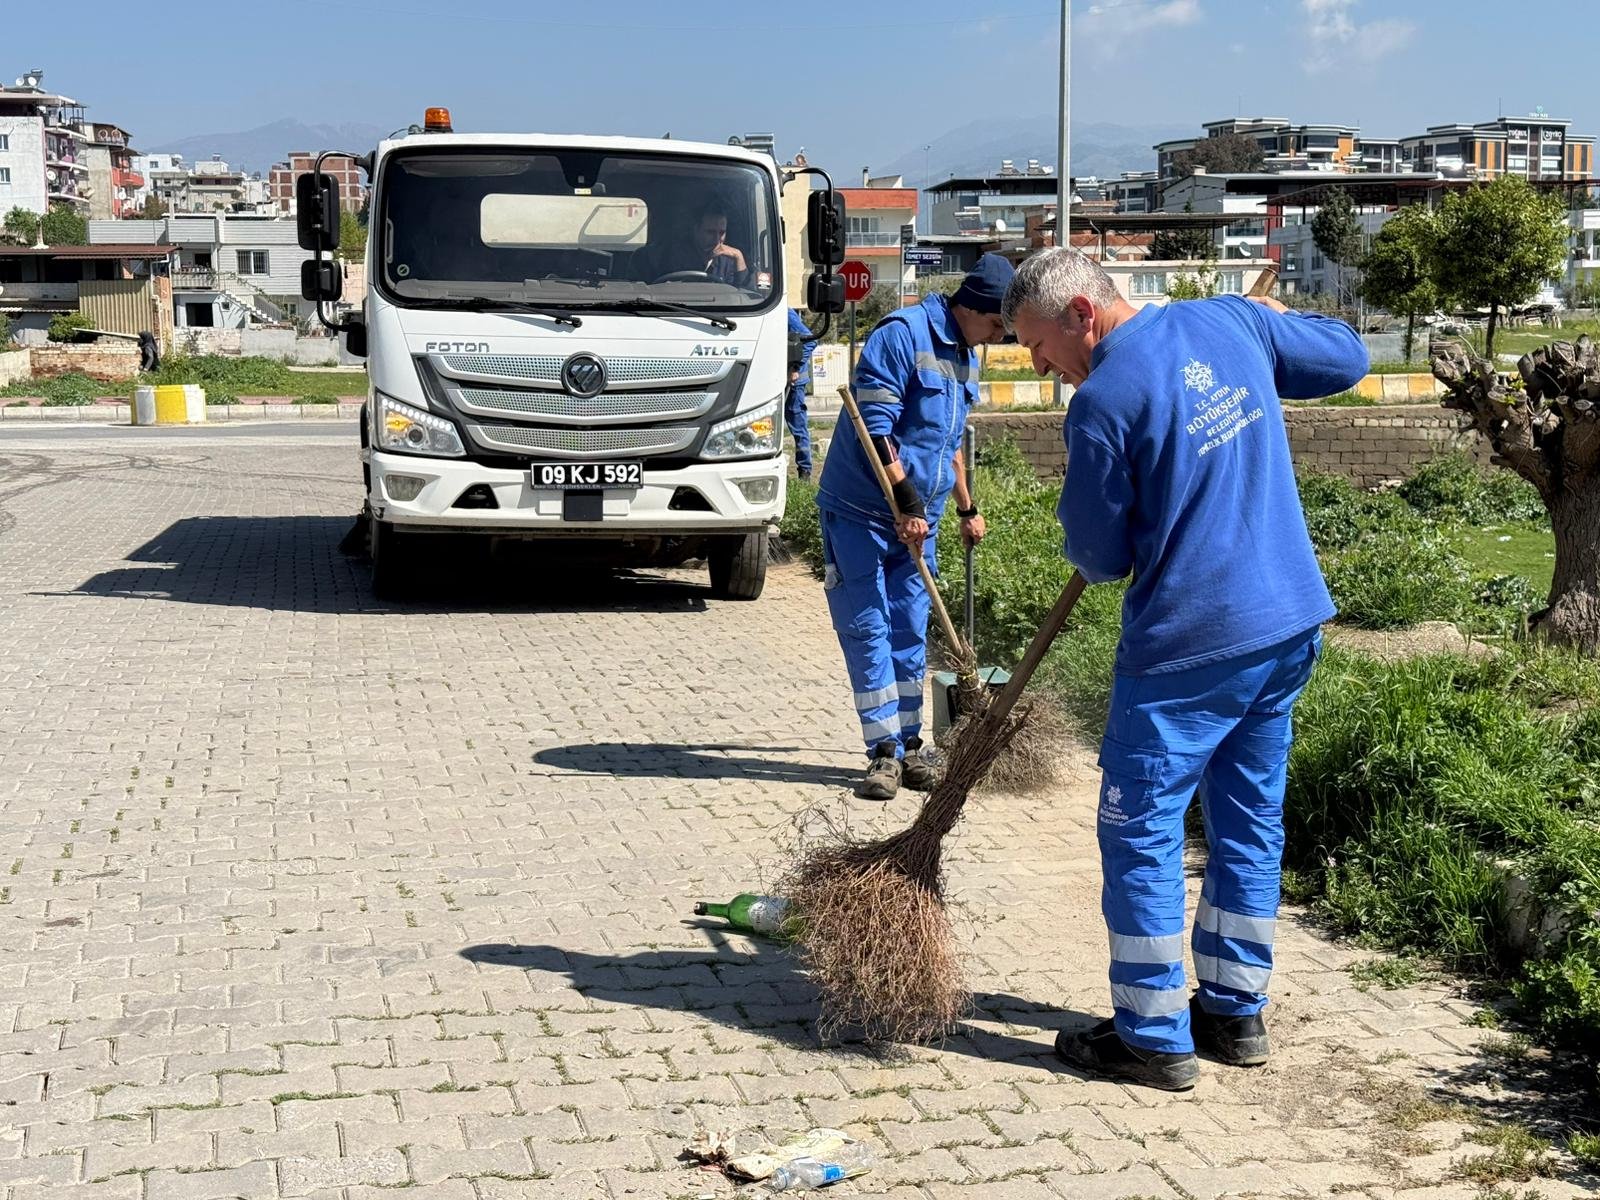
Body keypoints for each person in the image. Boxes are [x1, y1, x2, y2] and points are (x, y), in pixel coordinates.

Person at [1001, 249, 1368, 1090]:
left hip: (1187, 651)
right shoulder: (1226, 319)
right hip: (1285, 626)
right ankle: (1234, 1014)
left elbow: (1098, 557)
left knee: (1142, 831)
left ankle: (1152, 1034)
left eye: (1035, 345)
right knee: (1247, 818)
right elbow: (1347, 356)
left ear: (1081, 315)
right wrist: (1268, 328)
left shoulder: (1101, 402)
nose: (1038, 365)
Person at [816, 255, 1014, 801]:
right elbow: (876, 431)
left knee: (909, 626)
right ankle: (882, 753)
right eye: (996, 324)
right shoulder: (901, 335)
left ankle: (911, 742)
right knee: (869, 626)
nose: (997, 338)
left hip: (919, 524)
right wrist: (904, 503)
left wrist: (968, 510)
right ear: (971, 307)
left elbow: (949, 446)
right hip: (862, 512)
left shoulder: (967, 358)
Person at [639, 202, 751, 287]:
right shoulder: (672, 256)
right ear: (696, 230)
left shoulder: (728, 261)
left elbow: (744, 294)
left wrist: (738, 256)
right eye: (710, 232)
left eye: (722, 233)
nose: (717, 239)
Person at [786, 308, 817, 481]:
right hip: (779, 378)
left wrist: (795, 367)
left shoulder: (785, 313)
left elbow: (811, 340)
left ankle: (804, 472)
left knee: (798, 426)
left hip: (794, 382)